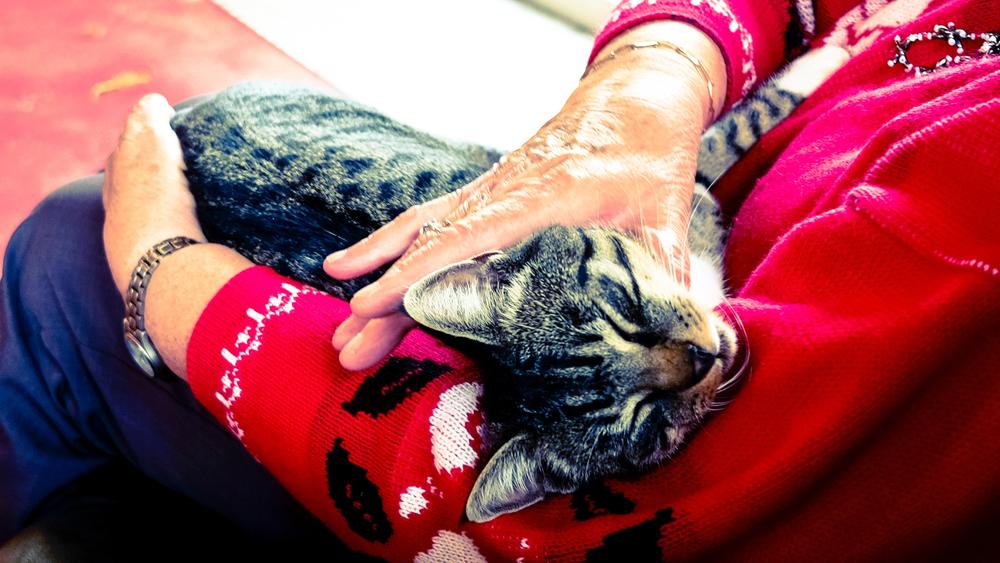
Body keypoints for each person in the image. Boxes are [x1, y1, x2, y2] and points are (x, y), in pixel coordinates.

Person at [2, 0, 999, 559]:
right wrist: (654, 68)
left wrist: (164, 274)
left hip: (491, 504)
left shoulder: (971, 229)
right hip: (638, 233)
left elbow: (574, 534)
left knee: (66, 244)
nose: (698, 351)